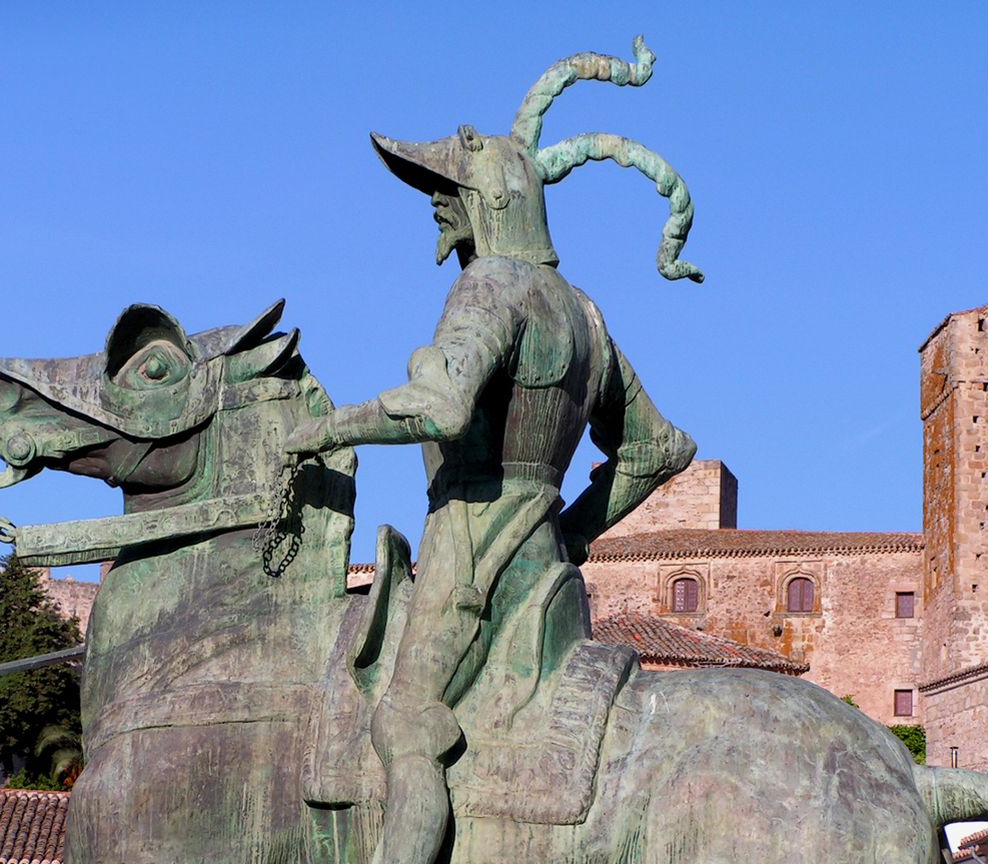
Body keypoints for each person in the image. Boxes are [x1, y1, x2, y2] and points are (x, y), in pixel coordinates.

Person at [284, 39, 702, 864]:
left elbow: (440, 408)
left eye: (444, 192)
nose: (435, 206)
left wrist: (324, 430)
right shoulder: (586, 317)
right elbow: (658, 449)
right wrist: (569, 531)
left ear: (488, 199)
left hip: (467, 558)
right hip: (542, 564)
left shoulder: (490, 288)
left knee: (403, 723)